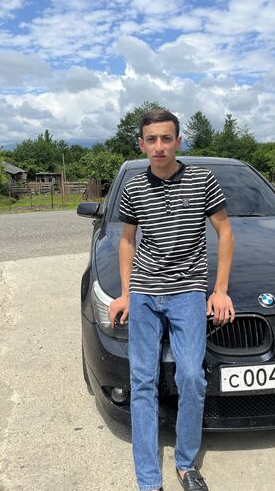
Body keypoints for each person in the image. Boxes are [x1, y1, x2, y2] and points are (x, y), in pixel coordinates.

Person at [108, 108, 235, 491]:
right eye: (152, 139)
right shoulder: (133, 188)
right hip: (145, 294)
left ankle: (185, 464)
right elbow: (127, 241)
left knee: (192, 377)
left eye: (166, 138)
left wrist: (220, 290)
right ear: (141, 144)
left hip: (187, 292)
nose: (159, 146)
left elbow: (225, 232)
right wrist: (125, 293)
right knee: (142, 382)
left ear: (179, 141)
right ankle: (149, 481)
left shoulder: (202, 180)